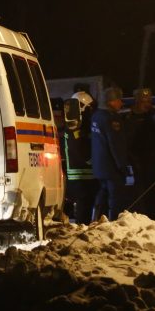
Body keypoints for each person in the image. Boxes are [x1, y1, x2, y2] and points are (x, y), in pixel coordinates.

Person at [91, 86, 131, 221]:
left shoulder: (96, 116)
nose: (121, 103)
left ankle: (95, 218)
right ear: (110, 102)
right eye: (118, 100)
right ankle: (115, 222)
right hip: (111, 167)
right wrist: (122, 165)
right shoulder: (112, 119)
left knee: (102, 194)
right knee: (116, 198)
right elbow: (116, 144)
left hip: (99, 167)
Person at [123, 88, 155, 219]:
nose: (147, 104)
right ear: (136, 101)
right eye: (143, 101)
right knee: (137, 195)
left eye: (149, 101)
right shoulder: (128, 118)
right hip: (135, 163)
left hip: (153, 162)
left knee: (154, 195)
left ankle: (154, 218)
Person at [64, 91, 100, 224]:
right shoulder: (75, 129)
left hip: (83, 178)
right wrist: (95, 162)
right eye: (89, 108)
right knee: (83, 212)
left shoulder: (79, 127)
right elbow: (81, 152)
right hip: (80, 178)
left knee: (86, 209)